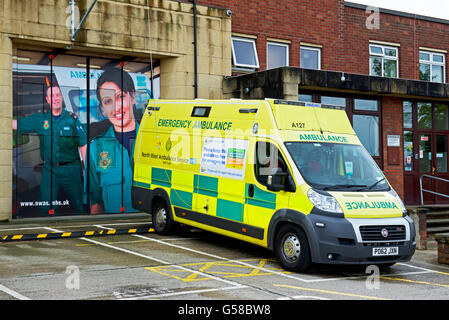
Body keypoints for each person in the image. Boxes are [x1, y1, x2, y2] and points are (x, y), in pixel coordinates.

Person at [13, 76, 87, 215]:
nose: (56, 98)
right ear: (48, 100)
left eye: (58, 95)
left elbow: (82, 145)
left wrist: (87, 169)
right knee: (46, 206)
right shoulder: (40, 119)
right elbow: (15, 124)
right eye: (52, 95)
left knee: (78, 204)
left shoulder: (72, 119)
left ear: (62, 97)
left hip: (72, 169)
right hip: (50, 169)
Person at [86, 68, 139, 214]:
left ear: (132, 96)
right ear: (102, 108)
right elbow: (96, 203)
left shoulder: (154, 140)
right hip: (116, 233)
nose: (116, 107)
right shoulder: (96, 149)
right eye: (108, 101)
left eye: (120, 97)